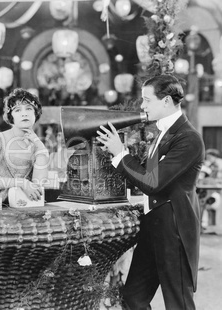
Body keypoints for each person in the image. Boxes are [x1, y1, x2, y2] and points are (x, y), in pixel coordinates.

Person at [97, 74, 205, 310]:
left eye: (147, 100)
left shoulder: (188, 138)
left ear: (166, 101)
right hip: (153, 227)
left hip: (174, 230)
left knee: (178, 303)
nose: (142, 106)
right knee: (133, 298)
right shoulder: (164, 132)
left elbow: (152, 183)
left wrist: (120, 153)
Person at [0, 88, 49, 203]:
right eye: (17, 110)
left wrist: (39, 145)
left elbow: (38, 184)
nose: (24, 113)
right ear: (11, 116)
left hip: (24, 205)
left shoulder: (37, 144)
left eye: (29, 108)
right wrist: (22, 183)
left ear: (35, 113)